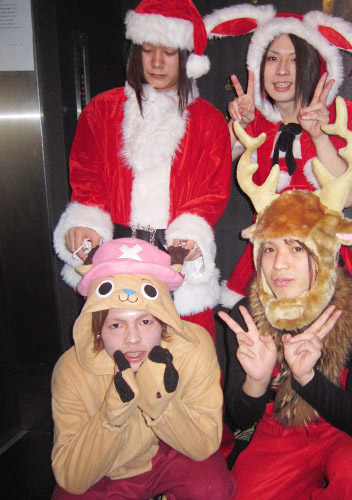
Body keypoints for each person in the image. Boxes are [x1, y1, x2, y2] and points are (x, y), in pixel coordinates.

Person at [217, 107, 352, 499]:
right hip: (284, 425)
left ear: (325, 252)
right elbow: (241, 419)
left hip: (349, 428)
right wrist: (256, 381)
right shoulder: (245, 317)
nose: (278, 264)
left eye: (296, 248)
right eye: (269, 249)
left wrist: (308, 378)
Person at [54, 0, 232, 341]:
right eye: (147, 50)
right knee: (115, 355)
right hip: (114, 258)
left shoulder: (208, 121)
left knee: (186, 358)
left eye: (169, 52)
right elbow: (86, 178)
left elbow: (212, 192)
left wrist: (192, 234)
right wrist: (85, 222)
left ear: (186, 57)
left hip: (176, 258)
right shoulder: (102, 110)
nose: (156, 62)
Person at [204, 5, 352, 308]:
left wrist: (318, 135)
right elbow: (208, 172)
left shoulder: (341, 114)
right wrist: (238, 126)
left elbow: (350, 195)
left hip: (320, 261)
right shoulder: (256, 120)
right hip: (268, 261)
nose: (282, 70)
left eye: (294, 60)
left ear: (313, 65)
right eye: (272, 58)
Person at [51, 238, 236, 499]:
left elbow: (204, 444)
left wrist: (160, 404)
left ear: (163, 320)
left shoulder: (191, 347)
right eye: (116, 325)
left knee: (212, 488)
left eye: (146, 321)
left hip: (171, 451)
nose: (133, 339)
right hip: (107, 468)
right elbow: (71, 478)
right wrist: (111, 417)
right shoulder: (72, 370)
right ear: (97, 329)